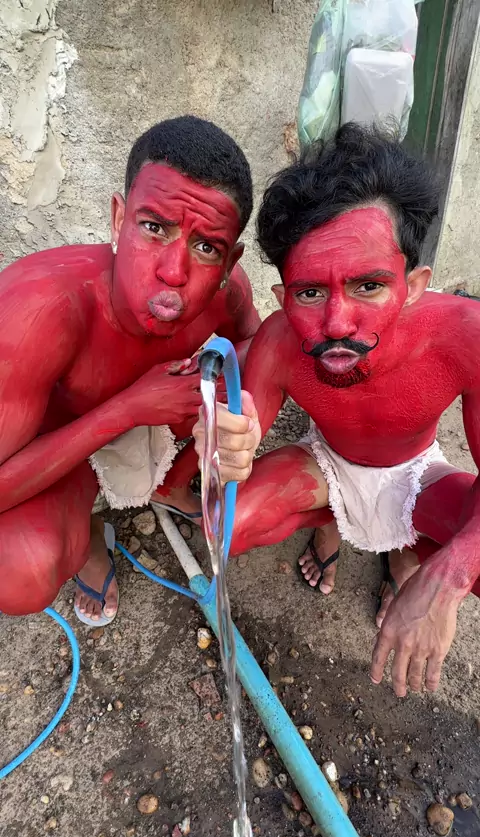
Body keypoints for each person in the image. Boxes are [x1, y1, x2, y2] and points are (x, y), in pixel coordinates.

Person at [194, 123, 480, 697]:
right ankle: (332, 526)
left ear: (414, 284)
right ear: (283, 298)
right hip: (328, 464)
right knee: (224, 525)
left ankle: (406, 557)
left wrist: (448, 576)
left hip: (416, 474)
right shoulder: (279, 342)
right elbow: (240, 436)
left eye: (369, 286)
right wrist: (224, 444)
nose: (336, 323)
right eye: (310, 292)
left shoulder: (464, 336)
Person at [0, 115, 260, 625]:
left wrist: (235, 408)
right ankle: (89, 541)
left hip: (157, 412)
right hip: (60, 447)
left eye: (206, 247)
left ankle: (172, 485)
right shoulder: (38, 313)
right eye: (154, 227)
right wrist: (127, 410)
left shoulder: (227, 293)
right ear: (118, 220)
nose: (174, 272)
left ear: (230, 262)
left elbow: (253, 347)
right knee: (21, 570)